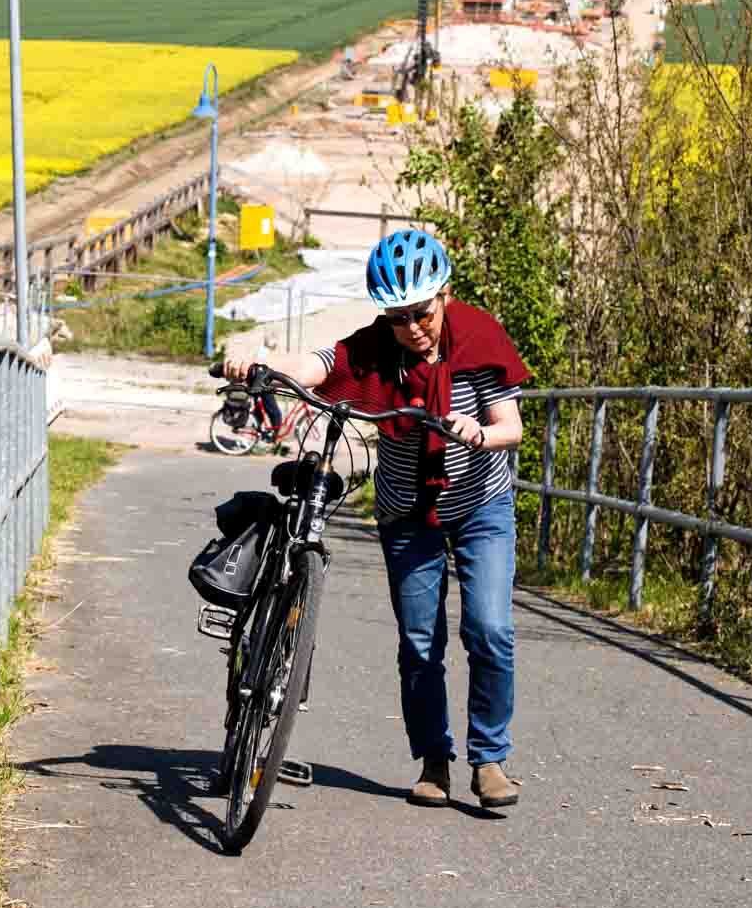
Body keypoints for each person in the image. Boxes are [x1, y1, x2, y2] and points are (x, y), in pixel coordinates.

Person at [220, 227, 530, 809]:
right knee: (419, 641)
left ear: (444, 296)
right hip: (407, 509)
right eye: (396, 316)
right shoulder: (376, 346)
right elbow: (320, 363)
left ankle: (490, 760)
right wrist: (258, 359)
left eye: (421, 312)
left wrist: (481, 432)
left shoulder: (480, 337)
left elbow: (510, 426)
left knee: (490, 629)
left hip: (480, 504)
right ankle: (434, 761)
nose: (411, 327)